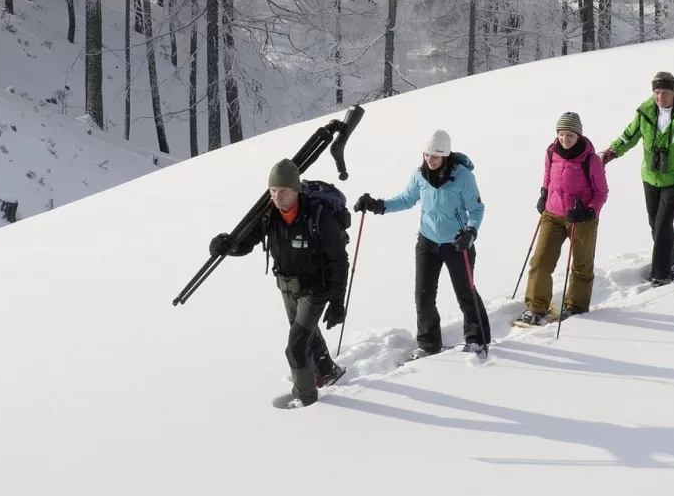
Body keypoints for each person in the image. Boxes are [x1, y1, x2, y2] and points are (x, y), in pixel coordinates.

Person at [208, 159, 348, 407]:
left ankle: (305, 399)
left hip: (315, 289)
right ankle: (327, 370)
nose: (277, 197)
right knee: (305, 333)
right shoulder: (268, 216)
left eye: (283, 191)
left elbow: (339, 260)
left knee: (295, 347)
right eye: (273, 191)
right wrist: (227, 245)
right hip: (287, 287)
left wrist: (337, 302)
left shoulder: (317, 217)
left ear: (297, 190)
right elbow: (246, 243)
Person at [355, 129, 492, 357]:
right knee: (423, 295)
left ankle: (478, 339)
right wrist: (378, 205)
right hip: (427, 242)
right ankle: (429, 344)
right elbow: (407, 199)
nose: (430, 160)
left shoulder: (463, 177)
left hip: (458, 244)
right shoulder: (420, 175)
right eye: (427, 155)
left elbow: (476, 209)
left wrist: (471, 231)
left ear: (445, 156)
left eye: (435, 157)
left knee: (465, 293)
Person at [601, 71, 674, 286]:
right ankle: (670, 263)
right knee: (656, 224)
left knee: (663, 225)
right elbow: (629, 136)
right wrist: (610, 153)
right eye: (656, 92)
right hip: (650, 177)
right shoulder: (645, 112)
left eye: (664, 92)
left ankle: (661, 275)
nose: (660, 97)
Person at [517, 112, 608, 326]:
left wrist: (590, 211)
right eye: (561, 134)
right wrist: (544, 194)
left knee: (581, 264)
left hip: (582, 219)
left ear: (578, 135)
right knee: (540, 261)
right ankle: (536, 307)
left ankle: (575, 307)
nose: (565, 139)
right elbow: (548, 177)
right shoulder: (551, 152)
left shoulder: (590, 159)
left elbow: (601, 192)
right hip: (552, 215)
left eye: (569, 135)